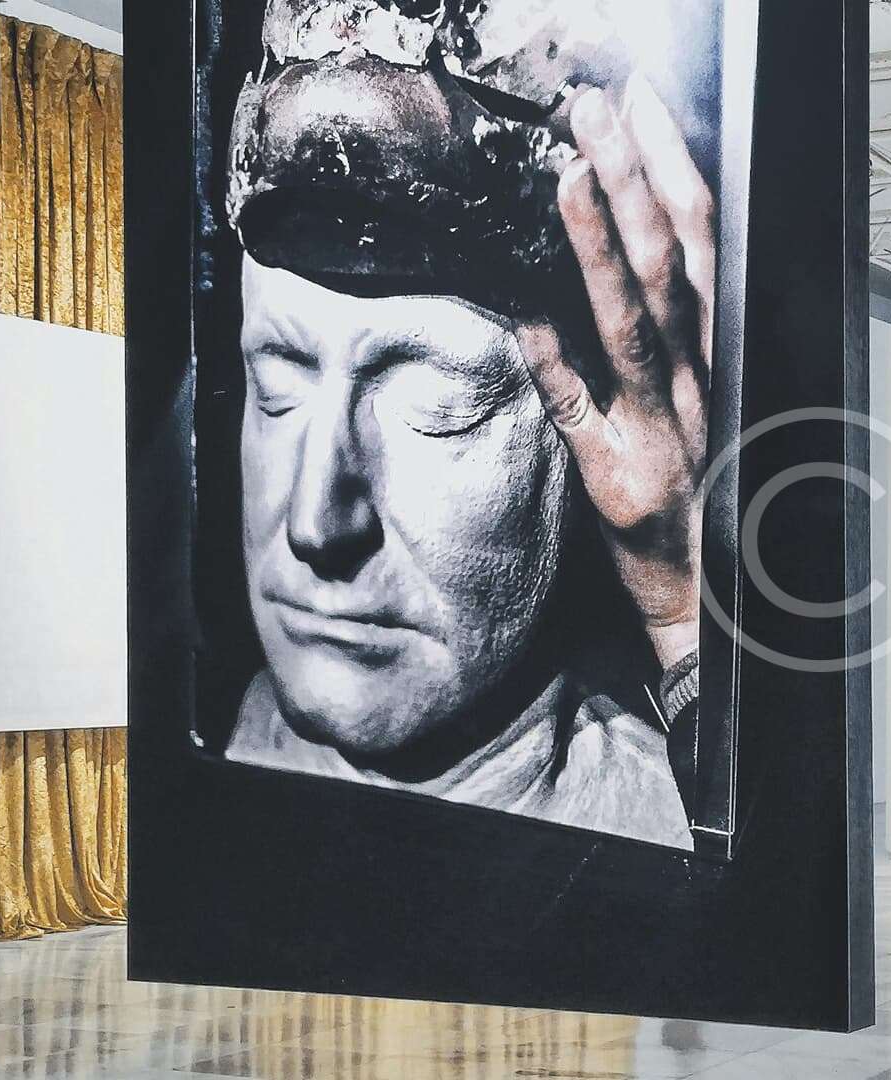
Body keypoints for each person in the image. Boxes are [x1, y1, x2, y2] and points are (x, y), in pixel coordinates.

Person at [213, 0, 717, 851]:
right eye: (276, 386)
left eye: (435, 404)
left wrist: (689, 622)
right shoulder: (212, 759)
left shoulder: (665, 826)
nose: (314, 523)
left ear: (599, 440)